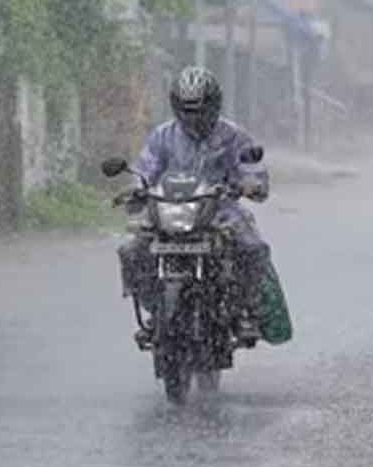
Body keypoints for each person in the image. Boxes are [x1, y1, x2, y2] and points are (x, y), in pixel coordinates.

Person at [117, 66, 272, 341]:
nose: (194, 117)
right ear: (176, 107)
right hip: (170, 210)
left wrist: (251, 183)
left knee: (253, 248)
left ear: (214, 104)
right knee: (132, 251)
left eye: (200, 109)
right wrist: (135, 190)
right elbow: (145, 168)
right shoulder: (162, 136)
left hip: (221, 210)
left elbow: (250, 167)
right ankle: (154, 308)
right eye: (187, 110)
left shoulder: (232, 135)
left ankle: (246, 310)